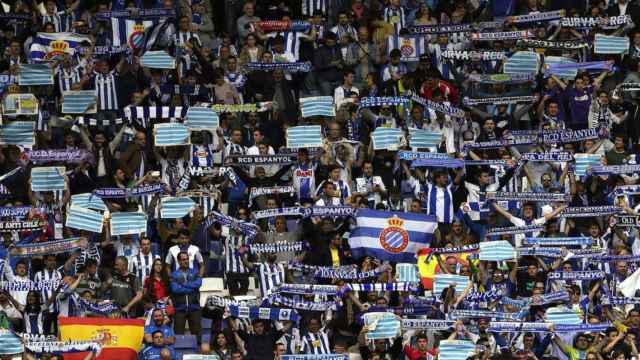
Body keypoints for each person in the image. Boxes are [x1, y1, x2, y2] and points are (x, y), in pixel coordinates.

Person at [170, 252, 203, 344]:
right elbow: (175, 289)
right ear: (179, 261)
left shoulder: (195, 272)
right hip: (180, 308)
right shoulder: (174, 274)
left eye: (187, 259)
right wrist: (191, 288)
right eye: (183, 259)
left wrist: (183, 284)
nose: (186, 261)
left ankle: (199, 354)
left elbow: (198, 283)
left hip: (194, 307)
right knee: (178, 335)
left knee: (197, 334)